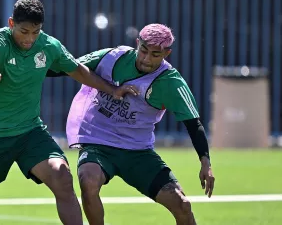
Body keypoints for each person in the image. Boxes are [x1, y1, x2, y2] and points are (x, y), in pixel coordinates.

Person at [0, 0, 137, 225]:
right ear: (11, 23)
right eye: (24, 31)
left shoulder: (48, 45)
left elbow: (79, 71)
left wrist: (112, 90)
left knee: (62, 176)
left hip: (30, 132)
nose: (29, 39)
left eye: (35, 32)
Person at [63, 23, 215, 225]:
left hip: (137, 151)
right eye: (143, 51)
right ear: (137, 43)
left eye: (155, 54)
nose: (146, 59)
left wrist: (205, 162)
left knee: (182, 204)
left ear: (167, 53)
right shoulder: (113, 57)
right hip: (98, 142)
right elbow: (70, 67)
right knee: (88, 181)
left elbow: (193, 123)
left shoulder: (170, 82)